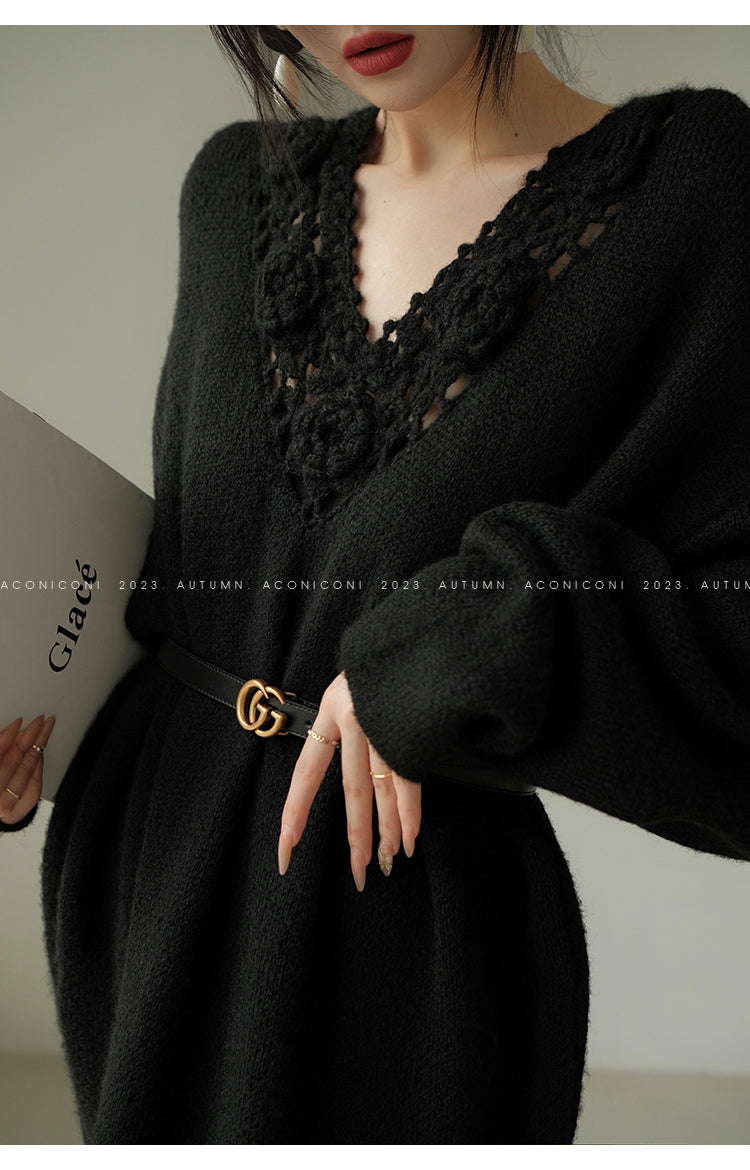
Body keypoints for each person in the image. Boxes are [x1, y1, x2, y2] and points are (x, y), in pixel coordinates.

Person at [2, 24, 750, 1145]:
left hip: (406, 935)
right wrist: (32, 723)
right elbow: (185, 582)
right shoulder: (234, 189)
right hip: (149, 886)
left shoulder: (694, 189)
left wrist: (461, 639)